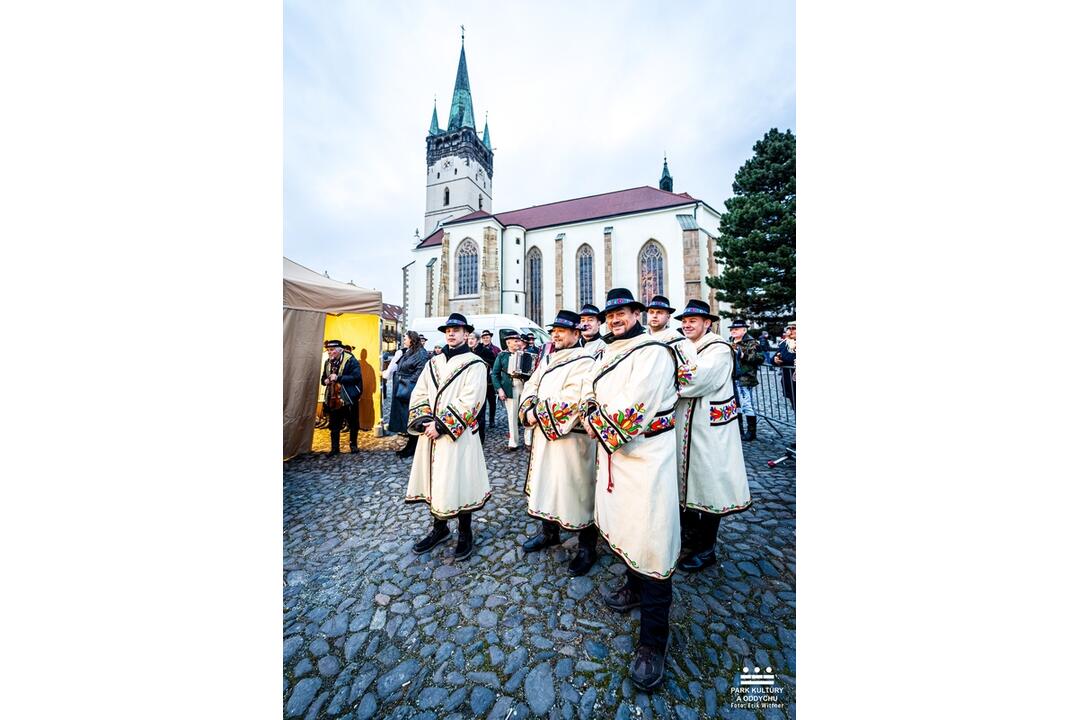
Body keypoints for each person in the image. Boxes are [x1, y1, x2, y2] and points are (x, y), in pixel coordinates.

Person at [582, 288, 680, 691]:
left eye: (622, 312)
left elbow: (634, 405)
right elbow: (589, 390)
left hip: (647, 459)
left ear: (637, 313)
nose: (616, 318)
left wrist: (596, 421)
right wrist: (590, 411)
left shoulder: (654, 351)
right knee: (625, 528)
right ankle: (633, 586)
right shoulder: (605, 353)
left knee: (652, 538)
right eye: (611, 314)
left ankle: (653, 641)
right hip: (615, 457)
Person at [517, 309, 599, 576]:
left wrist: (534, 413)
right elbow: (531, 385)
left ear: (576, 333)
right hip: (545, 436)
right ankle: (549, 533)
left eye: (561, 331)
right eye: (553, 331)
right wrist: (528, 407)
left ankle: (587, 548)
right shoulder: (548, 358)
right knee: (547, 484)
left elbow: (573, 398)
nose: (555, 335)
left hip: (572, 440)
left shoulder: (586, 360)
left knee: (577, 490)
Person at [672, 299, 752, 572]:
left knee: (710, 487)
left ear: (708, 323)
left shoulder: (718, 349)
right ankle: (690, 537)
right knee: (688, 483)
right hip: (688, 428)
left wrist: (662, 378)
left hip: (709, 432)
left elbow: (695, 379)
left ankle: (707, 549)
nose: (687, 324)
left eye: (693, 320)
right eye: (684, 320)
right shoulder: (686, 347)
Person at [405, 312, 491, 561]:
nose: (451, 333)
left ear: (467, 334)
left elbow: (473, 399)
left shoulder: (475, 363)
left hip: (457, 434)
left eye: (456, 329)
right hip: (430, 434)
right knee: (436, 481)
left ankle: (465, 532)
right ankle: (440, 529)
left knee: (459, 479)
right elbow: (420, 391)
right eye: (448, 330)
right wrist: (424, 422)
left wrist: (441, 425)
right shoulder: (434, 361)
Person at [388, 331, 430, 458]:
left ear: (411, 339)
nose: (404, 340)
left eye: (405, 338)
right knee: (405, 418)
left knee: (411, 417)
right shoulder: (409, 351)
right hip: (402, 388)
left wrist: (408, 383)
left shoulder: (420, 353)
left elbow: (421, 371)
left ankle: (413, 446)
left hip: (410, 390)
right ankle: (411, 445)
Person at [491, 331, 534, 451]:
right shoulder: (502, 355)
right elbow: (494, 374)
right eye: (515, 341)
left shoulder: (526, 355)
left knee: (526, 413)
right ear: (508, 342)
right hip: (509, 387)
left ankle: (528, 440)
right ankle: (513, 442)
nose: (518, 343)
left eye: (519, 340)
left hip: (524, 386)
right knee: (512, 415)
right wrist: (499, 390)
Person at [645, 294, 698, 392]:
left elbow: (689, 374)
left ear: (668, 317)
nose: (655, 315)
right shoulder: (640, 338)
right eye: (651, 312)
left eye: (659, 312)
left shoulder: (679, 341)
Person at [321, 340, 363, 456]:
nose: (329, 352)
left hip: (348, 397)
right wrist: (325, 381)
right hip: (333, 398)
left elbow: (356, 377)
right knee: (334, 424)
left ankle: (353, 445)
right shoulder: (327, 362)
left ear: (340, 350)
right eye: (328, 350)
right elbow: (323, 378)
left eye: (332, 350)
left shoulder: (351, 361)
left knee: (353, 422)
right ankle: (335, 449)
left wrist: (339, 378)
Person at [729, 318, 763, 441]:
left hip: (745, 377)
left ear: (744, 330)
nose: (733, 331)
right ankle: (739, 430)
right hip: (732, 377)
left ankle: (751, 432)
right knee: (736, 405)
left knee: (747, 404)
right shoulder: (730, 341)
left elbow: (760, 358)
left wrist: (743, 355)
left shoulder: (752, 342)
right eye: (732, 329)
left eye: (736, 329)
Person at [466, 331, 490, 443]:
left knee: (479, 412)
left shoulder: (485, 351)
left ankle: (480, 438)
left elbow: (492, 365)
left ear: (477, 340)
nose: (470, 340)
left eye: (472, 338)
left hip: (481, 384)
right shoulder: (466, 351)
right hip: (468, 385)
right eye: (469, 338)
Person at [476, 329, 500, 427]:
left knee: (492, 401)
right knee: (481, 402)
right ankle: (481, 420)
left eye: (487, 337)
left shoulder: (496, 349)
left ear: (490, 338)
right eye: (484, 338)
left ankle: (492, 420)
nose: (486, 339)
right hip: (481, 380)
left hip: (491, 380)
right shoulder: (479, 349)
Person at [773, 320, 796, 410]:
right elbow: (776, 356)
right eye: (788, 329)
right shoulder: (784, 343)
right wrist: (775, 360)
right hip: (789, 381)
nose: (790, 331)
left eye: (793, 328)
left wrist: (782, 358)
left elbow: (788, 357)